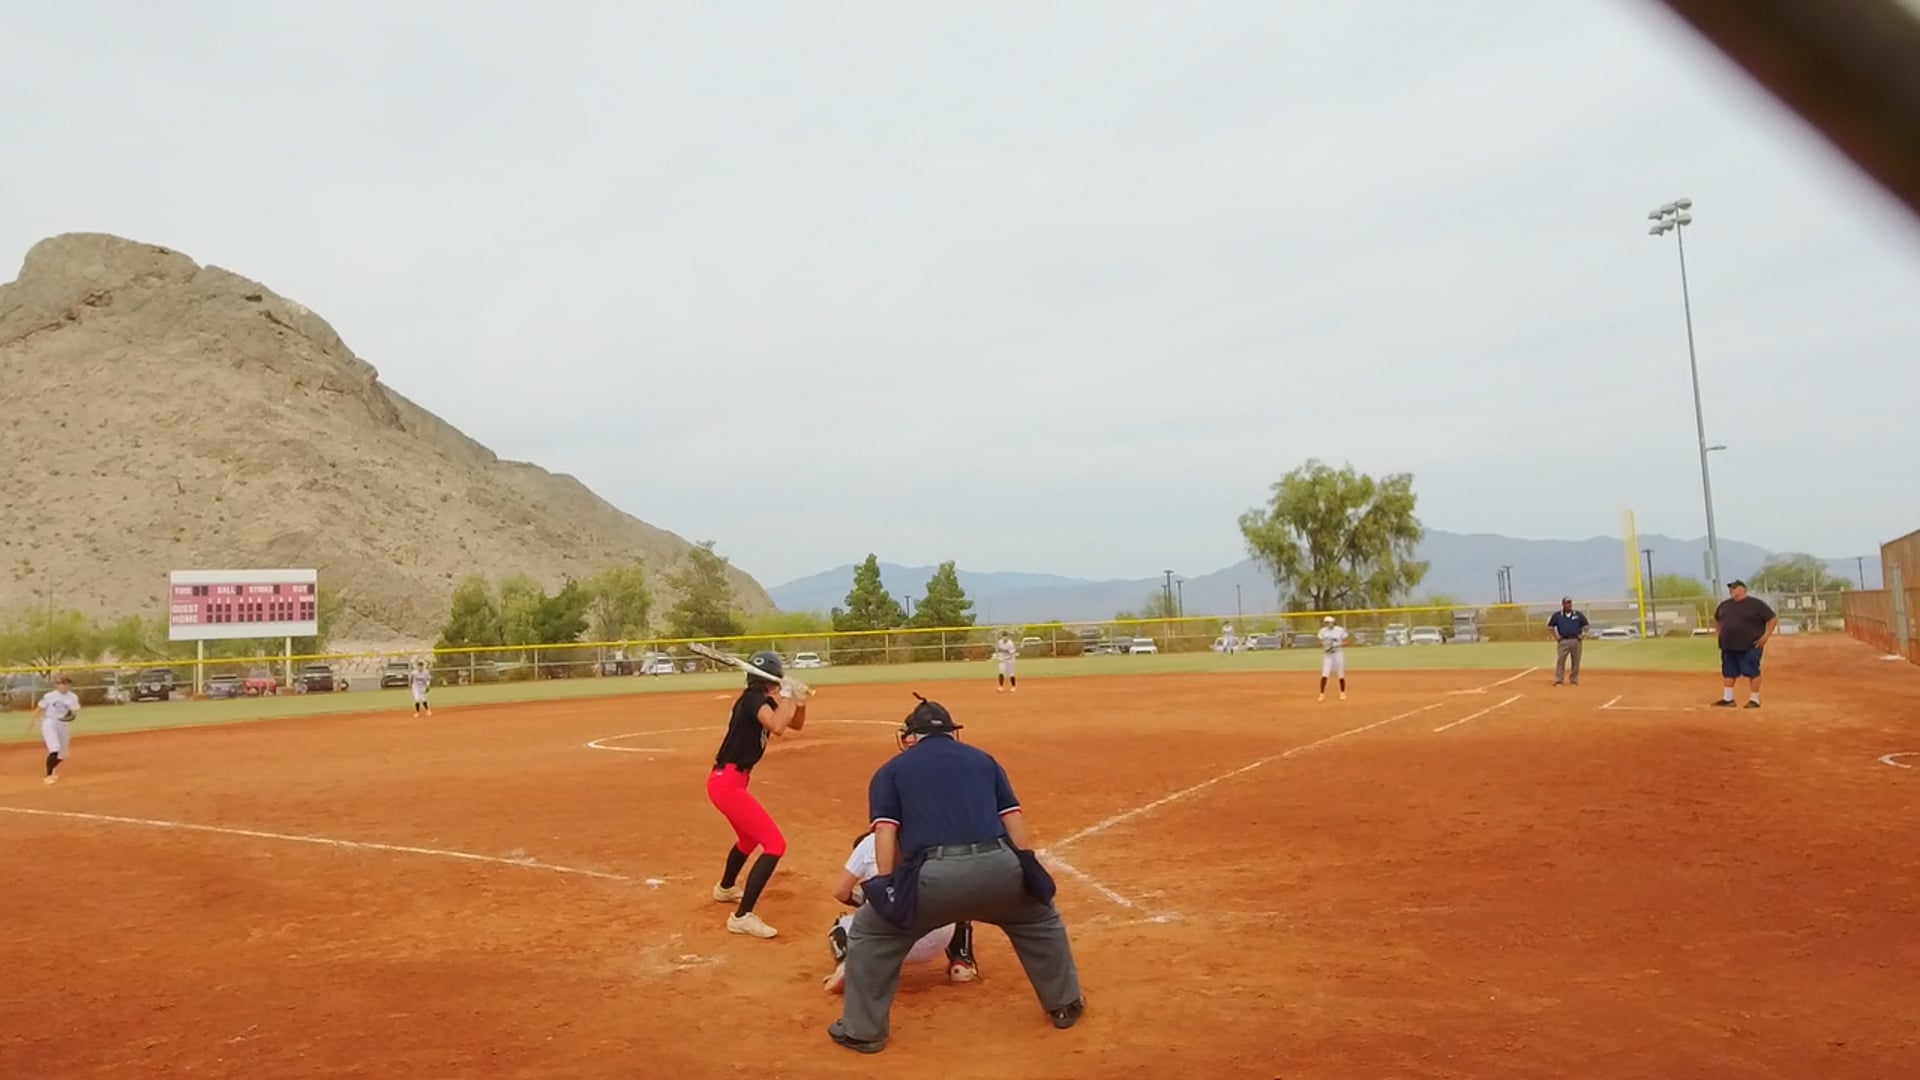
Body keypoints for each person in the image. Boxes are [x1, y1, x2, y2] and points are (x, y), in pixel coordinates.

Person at [828, 694, 1084, 1054]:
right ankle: (1065, 1003)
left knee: (871, 932)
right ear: (952, 733)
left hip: (934, 879)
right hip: (1000, 869)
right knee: (1040, 919)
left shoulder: (891, 770)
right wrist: (1026, 866)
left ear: (911, 737)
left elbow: (885, 831)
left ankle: (863, 1032)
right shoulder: (983, 760)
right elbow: (1012, 818)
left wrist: (886, 884)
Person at [708, 651, 807, 938]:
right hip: (727, 782)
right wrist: (786, 696)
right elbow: (777, 727)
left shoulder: (761, 699)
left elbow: (795, 724)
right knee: (775, 844)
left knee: (748, 839)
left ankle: (725, 888)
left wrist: (798, 701)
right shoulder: (753, 700)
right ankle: (742, 917)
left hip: (731, 781)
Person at [822, 828, 978, 993]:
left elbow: (840, 892)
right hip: (938, 939)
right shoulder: (935, 838)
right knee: (954, 901)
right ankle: (961, 962)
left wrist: (867, 901)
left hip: (888, 943)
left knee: (842, 925)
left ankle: (848, 965)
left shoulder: (870, 843)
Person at [1712, 579, 1778, 709]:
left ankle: (1754, 699)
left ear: (1743, 589)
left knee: (1752, 671)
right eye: (1730, 588)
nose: (1731, 590)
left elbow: (1772, 619)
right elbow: (1717, 619)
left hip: (1750, 645)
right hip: (1728, 644)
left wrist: (1765, 636)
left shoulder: (1756, 604)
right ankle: (1728, 698)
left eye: (1734, 587)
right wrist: (1719, 633)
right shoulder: (1724, 605)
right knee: (1728, 671)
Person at [34, 675, 81, 784]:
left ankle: (51, 767)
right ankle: (48, 775)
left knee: (62, 755)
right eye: (60, 684)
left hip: (63, 724)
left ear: (69, 685)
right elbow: (39, 708)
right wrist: (34, 721)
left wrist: (71, 716)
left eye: (65, 684)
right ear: (56, 685)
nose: (63, 686)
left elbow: (74, 712)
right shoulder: (49, 696)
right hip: (50, 722)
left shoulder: (73, 697)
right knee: (54, 748)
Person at [1546, 598, 1589, 686]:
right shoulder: (1557, 615)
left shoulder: (1577, 615)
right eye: (1567, 603)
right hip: (1563, 641)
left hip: (1576, 640)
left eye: (1570, 603)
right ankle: (1559, 680)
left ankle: (1573, 679)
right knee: (1561, 660)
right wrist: (1556, 637)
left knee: (1576, 661)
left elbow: (1586, 625)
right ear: (1563, 604)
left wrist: (1582, 635)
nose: (1569, 605)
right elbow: (1550, 626)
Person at [1316, 615, 1348, 701]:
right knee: (1325, 673)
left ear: (1333, 622)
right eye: (1326, 623)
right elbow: (1319, 641)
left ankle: (1342, 693)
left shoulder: (1340, 630)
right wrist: (1325, 645)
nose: (1328, 624)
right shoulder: (1323, 631)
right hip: (1328, 655)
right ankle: (1322, 694)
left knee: (1340, 674)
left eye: (1330, 622)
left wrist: (1337, 645)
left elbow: (1346, 642)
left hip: (1338, 653)